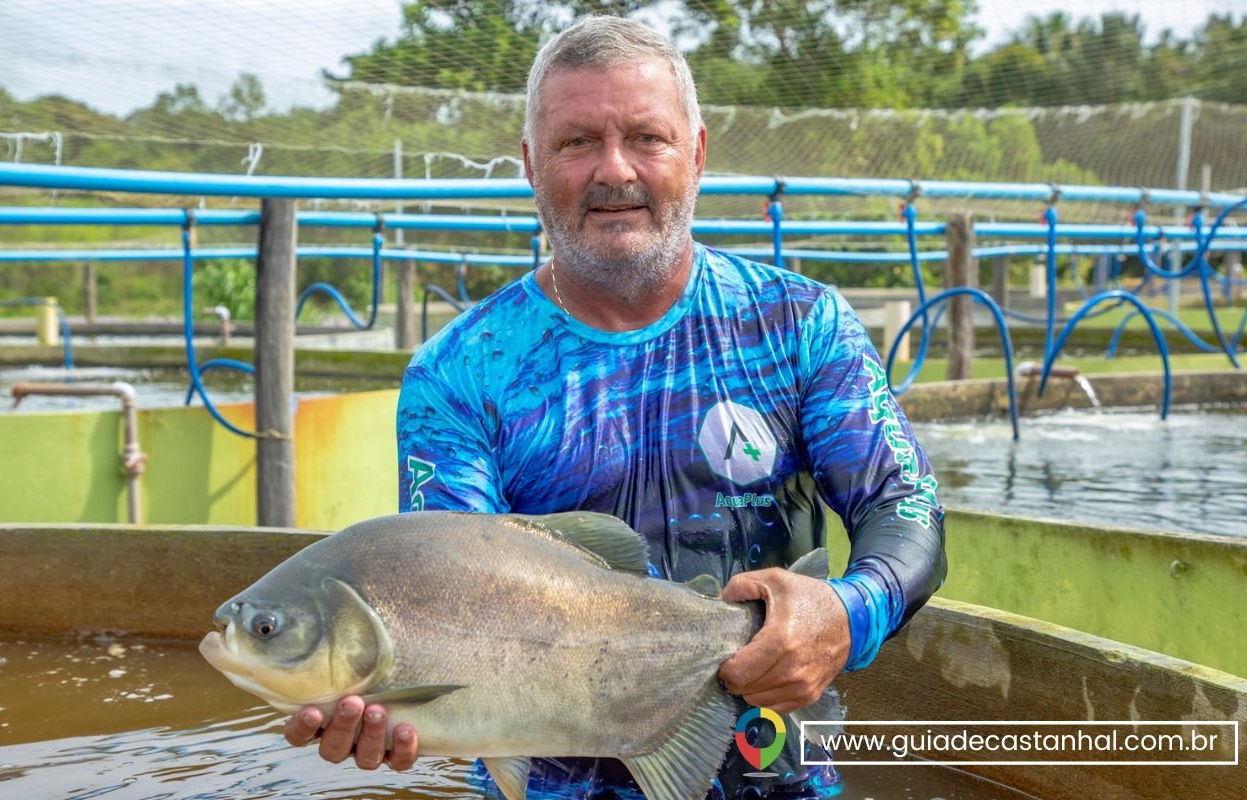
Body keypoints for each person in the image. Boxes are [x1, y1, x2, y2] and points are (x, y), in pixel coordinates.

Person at [284, 14, 946, 799]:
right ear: (532, 165)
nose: (615, 170)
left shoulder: (799, 325)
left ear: (696, 154)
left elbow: (904, 506)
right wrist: (390, 701)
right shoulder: (460, 373)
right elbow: (443, 581)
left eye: (647, 137)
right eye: (576, 143)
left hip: (778, 779)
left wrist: (845, 610)